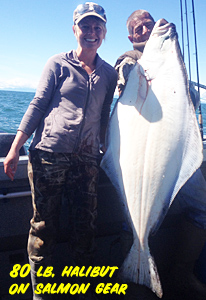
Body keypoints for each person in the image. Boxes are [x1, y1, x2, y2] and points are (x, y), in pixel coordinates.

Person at [4, 2, 117, 299]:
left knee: (86, 229)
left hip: (87, 160)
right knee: (43, 228)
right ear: (74, 29)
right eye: (85, 26)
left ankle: (84, 291)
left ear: (104, 32)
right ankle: (42, 294)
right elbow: (38, 105)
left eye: (97, 27)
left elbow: (106, 113)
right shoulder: (57, 63)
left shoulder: (108, 73)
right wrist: (16, 147)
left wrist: (105, 145)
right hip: (48, 156)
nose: (91, 32)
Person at [115, 9, 206, 300]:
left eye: (148, 25)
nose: (144, 30)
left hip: (174, 153)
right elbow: (125, 73)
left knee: (203, 209)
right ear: (132, 36)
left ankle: (182, 273)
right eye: (138, 28)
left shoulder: (172, 62)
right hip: (141, 156)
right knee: (134, 218)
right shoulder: (130, 61)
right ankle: (136, 277)